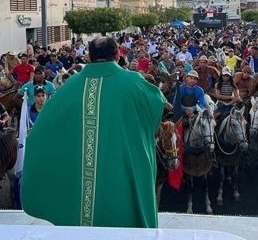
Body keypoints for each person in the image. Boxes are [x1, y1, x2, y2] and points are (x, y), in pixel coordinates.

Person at [21, 36, 167, 228]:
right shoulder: (133, 82)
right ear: (117, 54)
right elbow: (158, 104)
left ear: (89, 56)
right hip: (123, 167)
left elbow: (39, 133)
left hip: (79, 178)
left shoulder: (69, 86)